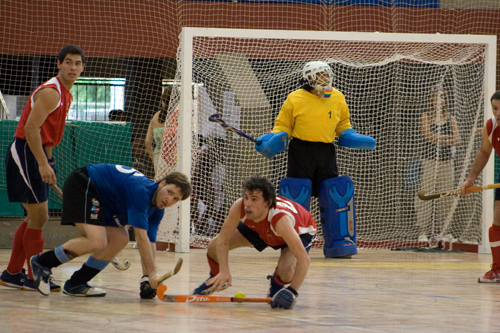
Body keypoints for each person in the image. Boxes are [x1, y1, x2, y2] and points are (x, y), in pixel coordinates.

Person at [254, 61, 375, 258]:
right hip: (300, 150)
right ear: (310, 78)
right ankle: (294, 244)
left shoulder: (337, 97)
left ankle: (338, 243)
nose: (325, 79)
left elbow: (343, 123)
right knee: (297, 195)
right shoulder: (295, 98)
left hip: (326, 151)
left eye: (327, 74)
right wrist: (272, 139)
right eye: (321, 75)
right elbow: (283, 125)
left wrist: (350, 135)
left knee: (337, 194)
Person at [29, 164, 192, 297]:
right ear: (161, 183)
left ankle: (76, 283)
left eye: (175, 199)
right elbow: (141, 237)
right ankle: (42, 262)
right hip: (85, 183)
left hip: (103, 201)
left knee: (121, 238)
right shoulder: (141, 191)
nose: (169, 200)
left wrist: (147, 278)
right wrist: (153, 273)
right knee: (97, 241)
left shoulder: (157, 209)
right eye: (169, 192)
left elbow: (149, 242)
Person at [0, 45, 85, 292]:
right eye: (68, 62)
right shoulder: (51, 92)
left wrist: (50, 161)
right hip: (25, 152)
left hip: (37, 153)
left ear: (82, 67)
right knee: (40, 216)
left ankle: (13, 273)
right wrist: (41, 163)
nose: (73, 67)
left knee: (35, 216)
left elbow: (49, 133)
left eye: (77, 63)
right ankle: (36, 275)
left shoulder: (66, 94)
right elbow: (30, 129)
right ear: (59, 64)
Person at [192, 176, 317, 309]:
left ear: (267, 203)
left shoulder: (281, 220)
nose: (247, 203)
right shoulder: (240, 206)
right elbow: (222, 240)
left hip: (299, 232)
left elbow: (304, 258)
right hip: (260, 227)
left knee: (286, 272)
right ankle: (216, 280)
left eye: (254, 199)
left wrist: (292, 291)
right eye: (246, 197)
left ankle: (276, 284)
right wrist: (223, 270)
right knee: (213, 246)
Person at [461, 90, 500, 283]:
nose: (498, 113)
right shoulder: (491, 126)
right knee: (497, 220)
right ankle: (497, 270)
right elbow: (484, 152)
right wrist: (470, 179)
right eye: (495, 108)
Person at [415, 87, 460, 242]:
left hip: (446, 162)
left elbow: (457, 140)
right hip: (429, 161)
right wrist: (446, 137)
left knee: (446, 195)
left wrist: (442, 138)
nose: (439, 101)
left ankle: (444, 231)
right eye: (436, 98)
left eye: (442, 98)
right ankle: (423, 232)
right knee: (425, 194)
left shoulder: (451, 118)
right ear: (432, 101)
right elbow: (428, 136)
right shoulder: (425, 116)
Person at [145, 86, 179, 181]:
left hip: (158, 157)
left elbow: (147, 142)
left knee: (161, 186)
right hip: (174, 158)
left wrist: (153, 159)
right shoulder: (177, 115)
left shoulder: (155, 116)